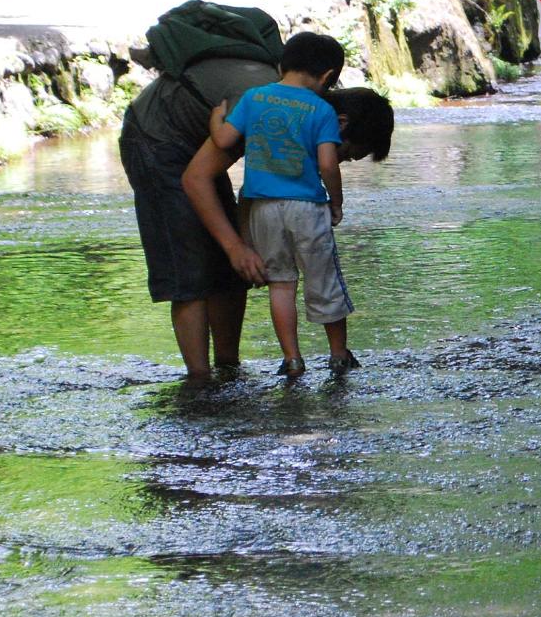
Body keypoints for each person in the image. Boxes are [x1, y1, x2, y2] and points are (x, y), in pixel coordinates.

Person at [122, 22, 393, 385]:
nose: (337, 161)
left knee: (237, 265)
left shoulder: (293, 105)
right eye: (347, 154)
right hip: (157, 137)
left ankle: (229, 370)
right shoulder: (269, 109)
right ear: (340, 125)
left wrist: (238, 245)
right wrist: (235, 245)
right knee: (191, 263)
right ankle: (200, 384)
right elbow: (194, 178)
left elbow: (245, 189)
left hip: (202, 141)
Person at [186, 33, 361, 379]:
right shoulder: (322, 109)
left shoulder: (254, 97)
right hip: (306, 207)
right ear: (327, 77)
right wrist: (336, 202)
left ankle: (293, 359)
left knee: (281, 283)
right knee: (323, 280)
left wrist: (215, 118)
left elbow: (223, 140)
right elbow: (328, 164)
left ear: (282, 65)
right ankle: (338, 354)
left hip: (262, 209)